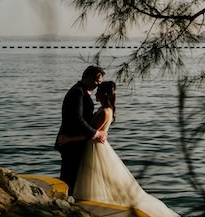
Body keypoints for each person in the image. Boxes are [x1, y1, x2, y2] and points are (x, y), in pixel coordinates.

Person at [65, 81, 180, 217]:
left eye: (99, 91)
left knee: (95, 178)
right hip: (95, 147)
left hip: (95, 147)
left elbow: (90, 135)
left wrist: (69, 139)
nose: (96, 93)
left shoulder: (105, 112)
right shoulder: (105, 110)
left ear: (105, 94)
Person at [55, 65, 107, 192]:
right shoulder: (78, 92)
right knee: (70, 177)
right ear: (87, 77)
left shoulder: (82, 91)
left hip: (76, 141)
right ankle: (65, 202)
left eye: (100, 82)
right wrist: (95, 133)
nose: (97, 85)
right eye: (97, 81)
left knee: (74, 176)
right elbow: (77, 119)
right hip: (71, 142)